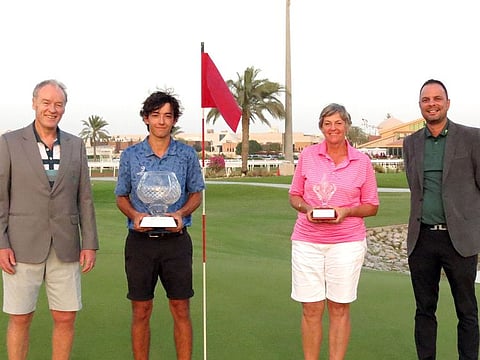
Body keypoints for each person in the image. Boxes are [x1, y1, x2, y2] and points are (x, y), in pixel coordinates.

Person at [0, 79, 99, 360]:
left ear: (64, 108)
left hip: (65, 246)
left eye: (58, 104)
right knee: (20, 318)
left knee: (65, 317)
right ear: (34, 103)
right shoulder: (9, 143)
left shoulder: (75, 145)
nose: (52, 109)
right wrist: (1, 243)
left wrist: (89, 242)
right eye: (46, 102)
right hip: (21, 247)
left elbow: (85, 198)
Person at [115, 90, 205, 360]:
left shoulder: (186, 155)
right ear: (146, 119)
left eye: (168, 116)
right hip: (140, 243)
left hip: (176, 243)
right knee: (141, 310)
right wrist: (134, 215)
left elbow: (196, 193)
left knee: (180, 307)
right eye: (156, 116)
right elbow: (121, 196)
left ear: (174, 120)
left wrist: (181, 213)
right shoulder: (131, 156)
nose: (162, 121)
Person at [288, 103, 379, 360]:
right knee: (311, 308)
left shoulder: (361, 161)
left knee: (339, 308)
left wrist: (346, 212)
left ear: (347, 126)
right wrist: (306, 208)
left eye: (338, 123)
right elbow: (294, 195)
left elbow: (372, 206)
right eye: (327, 123)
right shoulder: (308, 156)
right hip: (307, 241)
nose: (333, 128)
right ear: (321, 127)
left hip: (346, 243)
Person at [403, 79, 480, 360]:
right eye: (426, 100)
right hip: (422, 239)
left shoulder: (472, 138)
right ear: (420, 105)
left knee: (467, 311)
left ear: (447, 103)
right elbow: (415, 186)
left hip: (459, 239)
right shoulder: (410, 143)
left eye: (437, 98)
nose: (431, 104)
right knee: (424, 310)